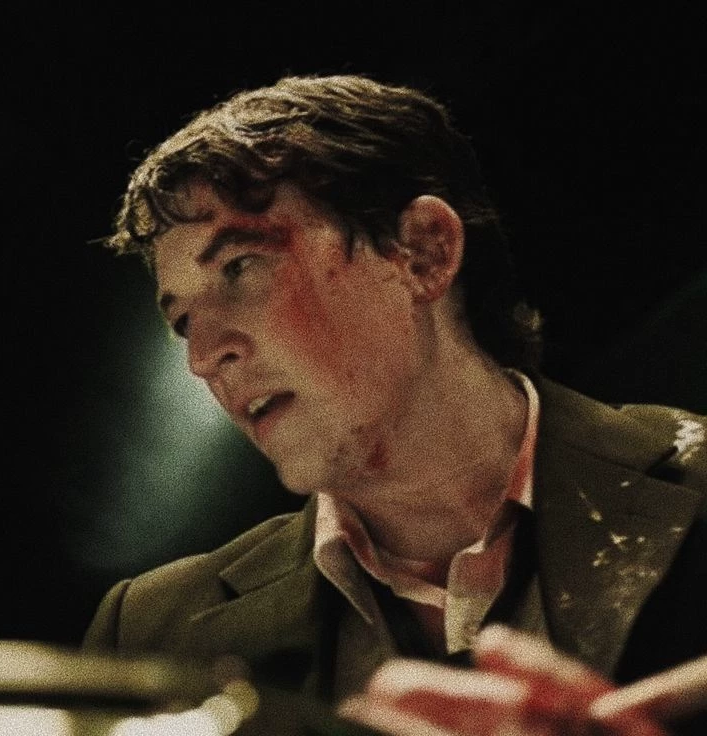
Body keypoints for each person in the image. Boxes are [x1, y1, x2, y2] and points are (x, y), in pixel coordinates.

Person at [83, 75, 706, 735]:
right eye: (182, 321)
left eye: (240, 266)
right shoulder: (151, 630)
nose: (203, 355)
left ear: (423, 252)